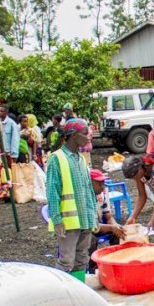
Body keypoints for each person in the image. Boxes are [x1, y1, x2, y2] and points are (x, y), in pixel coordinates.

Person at [45, 118, 97, 281]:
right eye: (84, 133)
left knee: (82, 260)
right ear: (73, 135)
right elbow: (52, 192)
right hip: (68, 222)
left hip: (85, 219)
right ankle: (62, 293)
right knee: (66, 261)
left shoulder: (81, 158)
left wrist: (93, 216)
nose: (88, 137)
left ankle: (78, 289)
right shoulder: (57, 158)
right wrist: (57, 220)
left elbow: (88, 189)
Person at [87, 169, 126, 273]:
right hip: (85, 228)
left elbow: (108, 216)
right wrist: (111, 228)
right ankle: (93, 269)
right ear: (89, 182)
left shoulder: (102, 194)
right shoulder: (85, 197)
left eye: (103, 182)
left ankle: (116, 262)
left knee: (119, 232)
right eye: (99, 182)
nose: (102, 185)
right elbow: (91, 226)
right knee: (91, 239)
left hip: (98, 225)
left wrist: (115, 225)